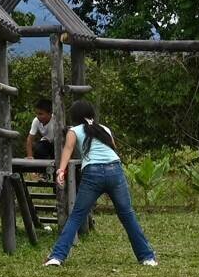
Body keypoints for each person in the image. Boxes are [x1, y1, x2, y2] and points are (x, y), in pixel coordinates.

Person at [44, 101, 156, 267]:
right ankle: (147, 257)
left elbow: (67, 150)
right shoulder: (104, 129)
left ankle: (57, 257)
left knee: (76, 216)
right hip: (115, 170)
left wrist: (61, 171)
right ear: (92, 114)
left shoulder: (73, 131)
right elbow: (113, 149)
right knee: (127, 215)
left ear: (74, 117)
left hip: (92, 173)